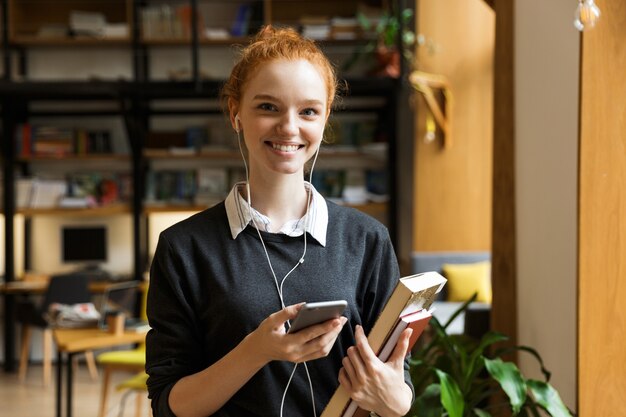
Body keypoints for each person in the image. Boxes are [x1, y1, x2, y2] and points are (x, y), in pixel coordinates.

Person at [145, 26, 414, 417]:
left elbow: (398, 390)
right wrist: (257, 351)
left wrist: (395, 401)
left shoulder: (366, 240)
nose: (289, 127)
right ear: (236, 114)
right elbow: (169, 405)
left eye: (308, 111)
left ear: (324, 120)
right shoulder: (184, 248)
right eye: (268, 107)